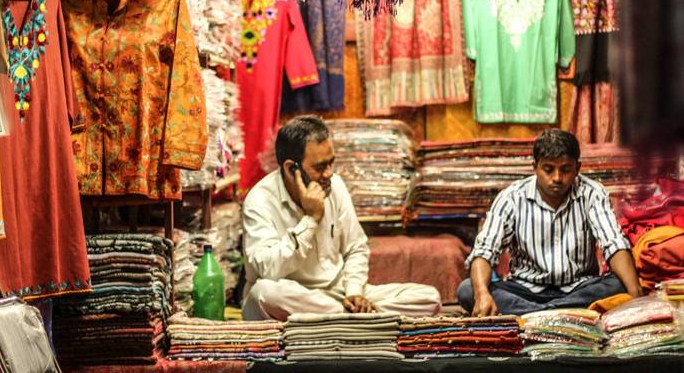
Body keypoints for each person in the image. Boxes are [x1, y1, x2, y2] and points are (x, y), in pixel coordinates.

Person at [241, 116, 441, 321]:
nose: (329, 173)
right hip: (295, 297)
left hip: (338, 295)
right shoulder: (259, 200)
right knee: (263, 294)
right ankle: (360, 321)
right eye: (320, 167)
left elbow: (356, 248)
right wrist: (310, 220)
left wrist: (354, 292)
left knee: (429, 298)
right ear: (291, 169)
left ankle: (342, 318)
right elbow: (269, 270)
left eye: (331, 163)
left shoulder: (335, 185)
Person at [457, 129, 643, 316]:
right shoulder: (511, 197)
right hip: (525, 290)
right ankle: (563, 314)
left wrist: (635, 294)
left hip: (579, 288)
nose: (557, 178)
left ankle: (535, 315)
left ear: (577, 168)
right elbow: (485, 250)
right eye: (548, 169)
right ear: (535, 166)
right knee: (468, 290)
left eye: (565, 169)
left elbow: (614, 243)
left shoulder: (592, 194)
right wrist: (482, 294)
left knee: (619, 283)